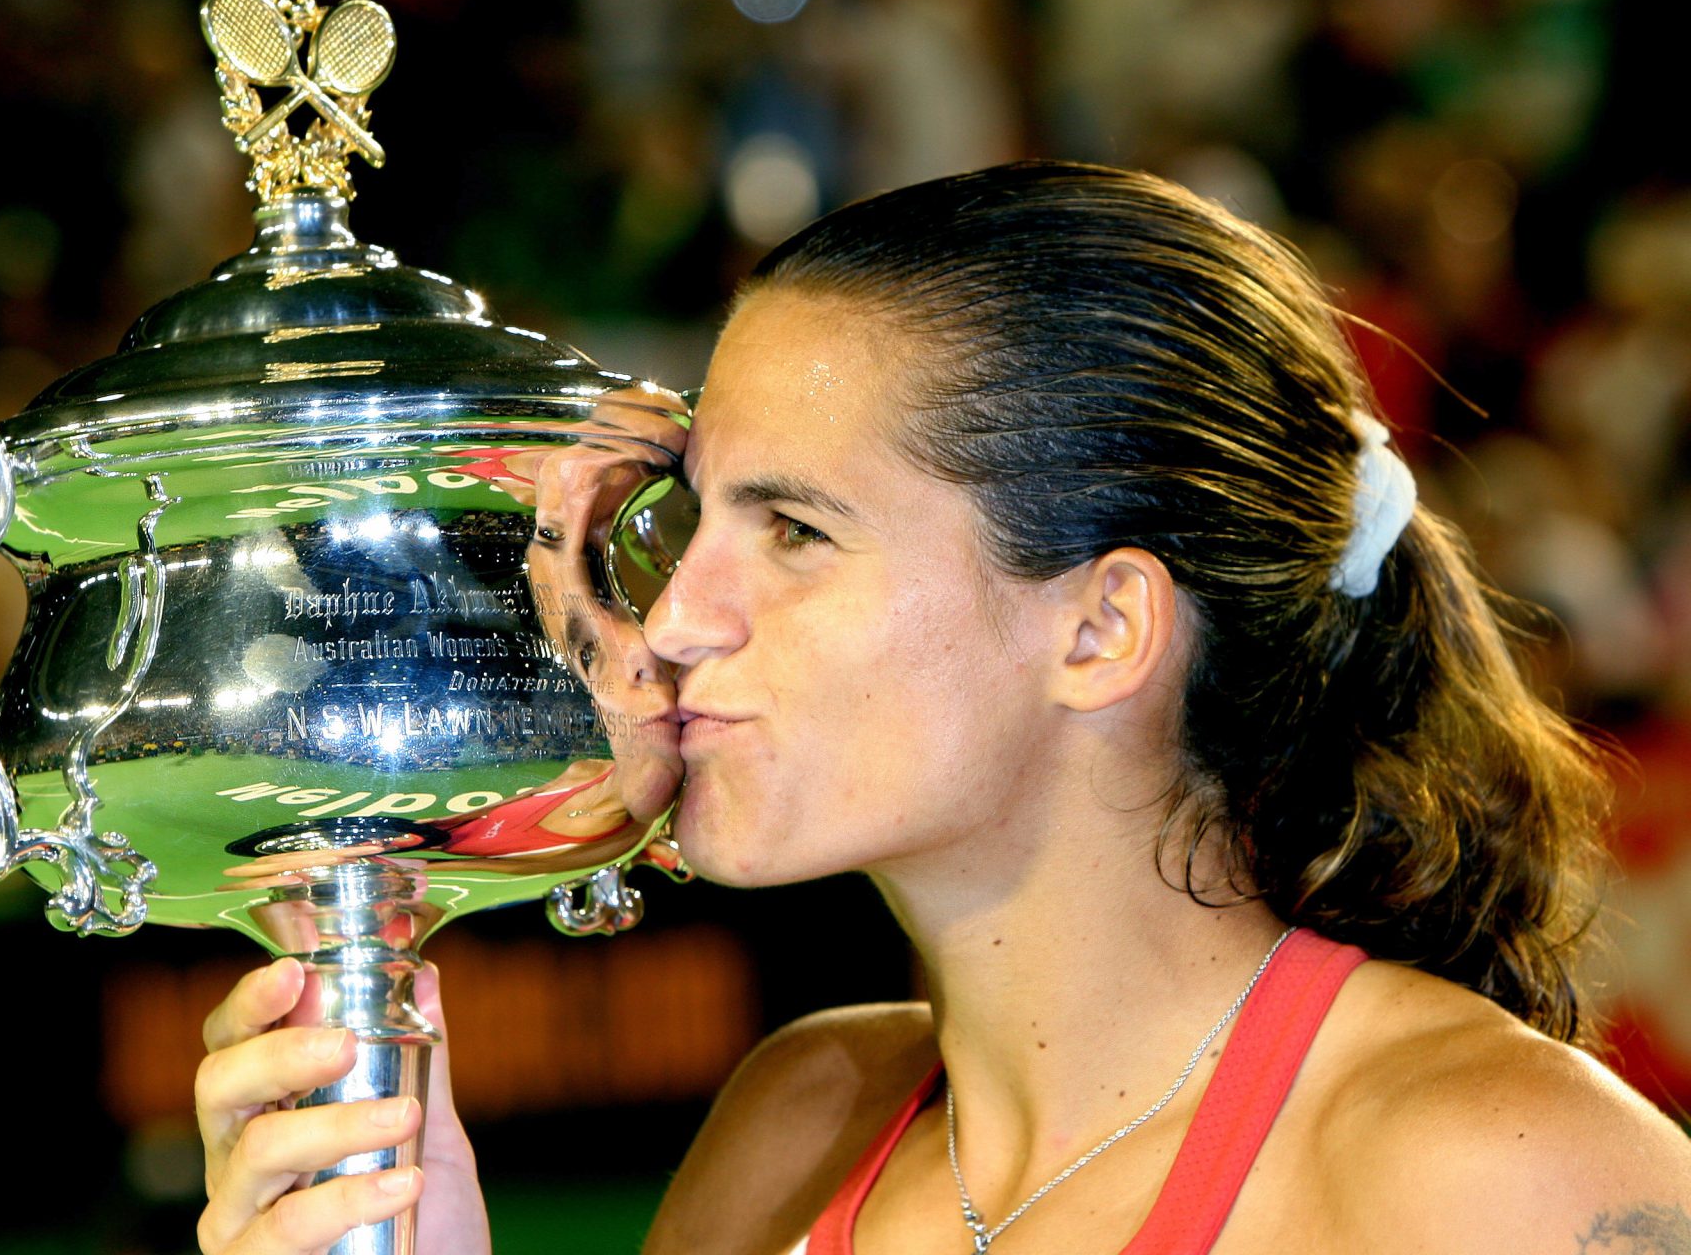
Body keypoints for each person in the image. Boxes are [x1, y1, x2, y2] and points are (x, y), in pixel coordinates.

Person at [192, 163, 1691, 1255]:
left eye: (796, 532)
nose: (683, 613)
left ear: (1103, 628)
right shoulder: (796, 1118)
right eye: (695, 521)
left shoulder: (1496, 1176)